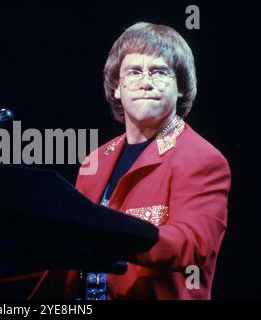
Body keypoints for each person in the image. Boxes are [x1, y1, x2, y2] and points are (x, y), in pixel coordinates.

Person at [28, 22, 231, 300]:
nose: (146, 82)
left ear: (181, 87)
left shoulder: (202, 159)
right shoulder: (95, 160)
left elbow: (191, 244)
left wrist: (109, 236)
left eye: (160, 72)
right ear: (117, 89)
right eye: (134, 72)